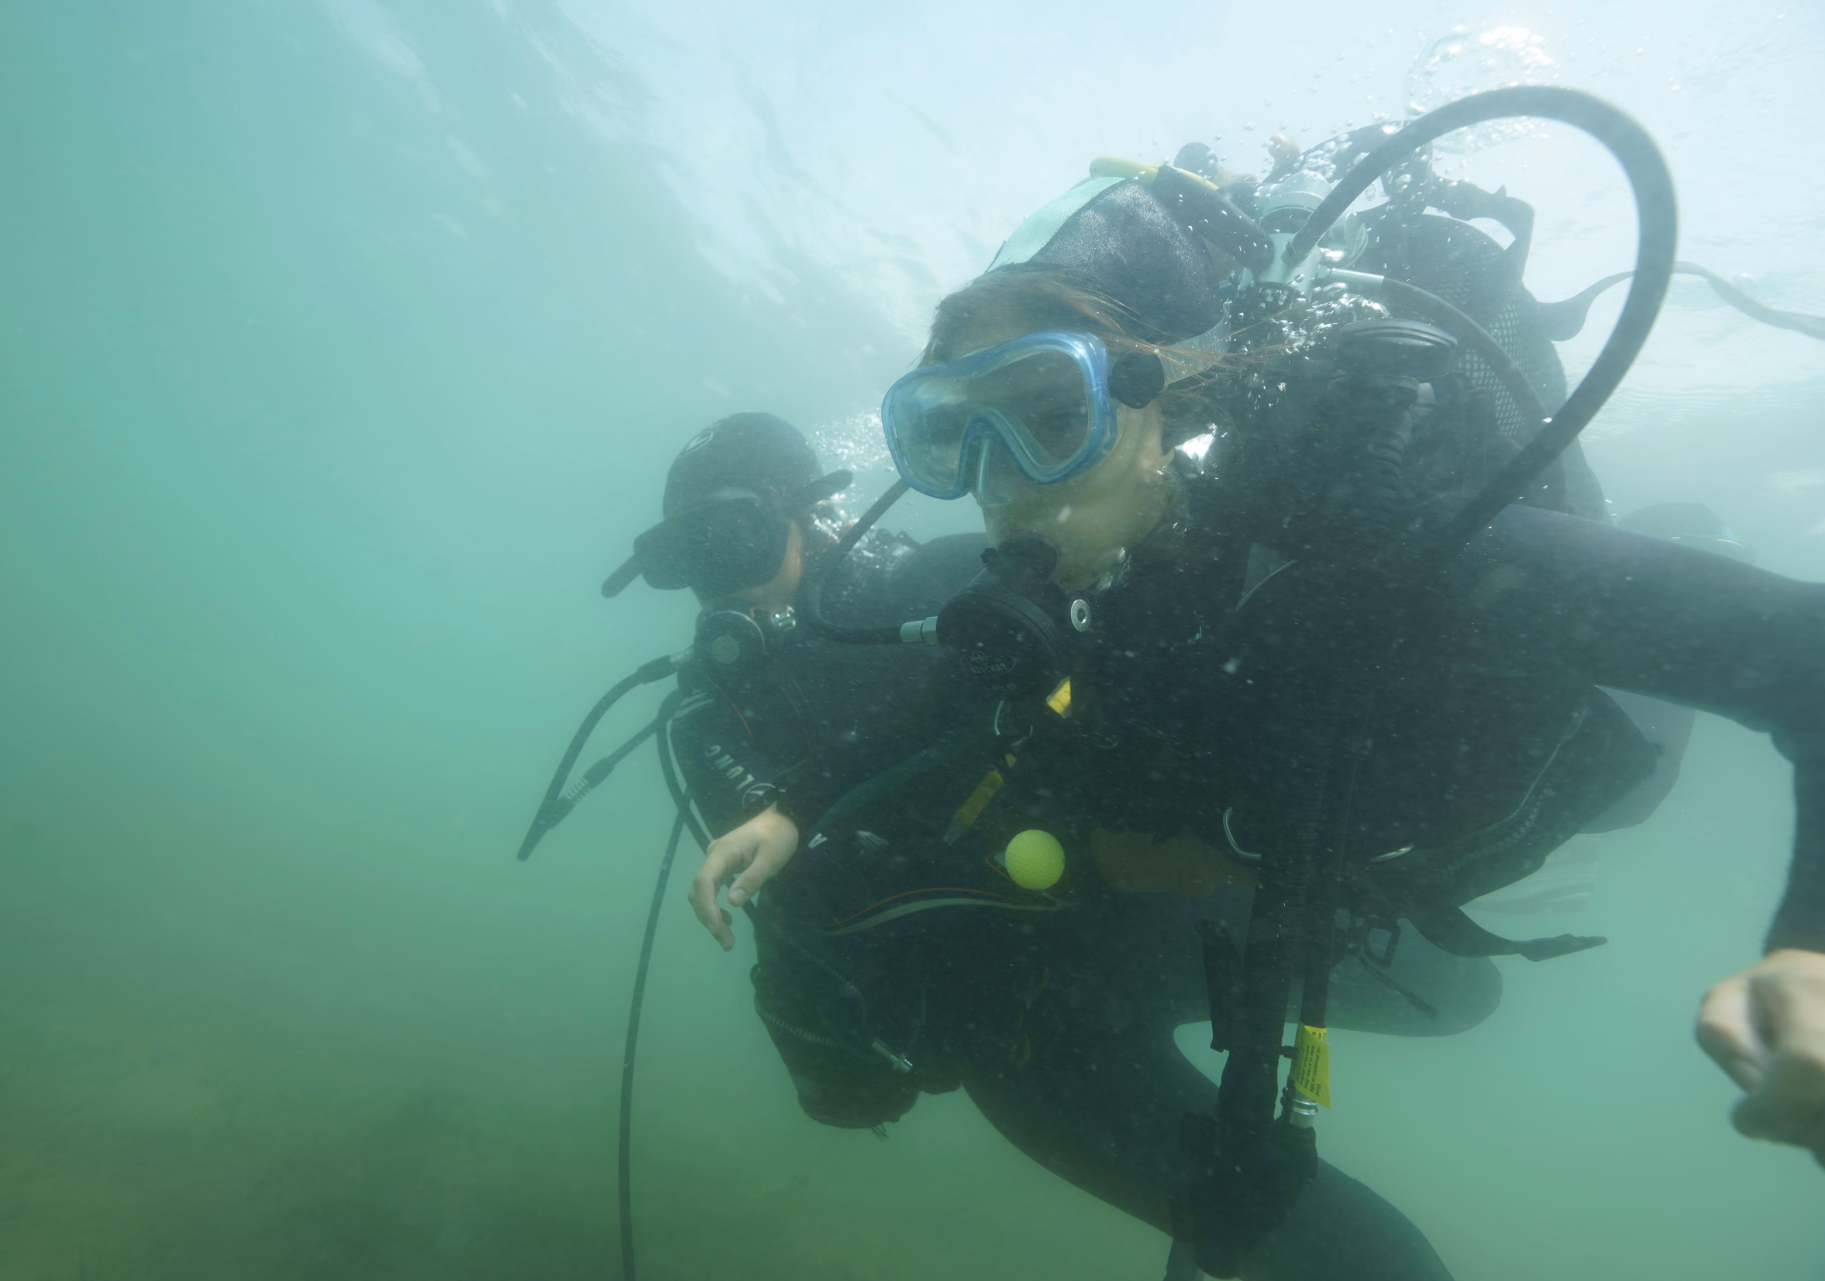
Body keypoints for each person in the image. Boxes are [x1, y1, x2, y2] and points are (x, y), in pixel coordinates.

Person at [691, 157, 1825, 1274]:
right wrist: (799, 805)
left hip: (1544, 779)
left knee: (1635, 791)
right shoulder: (1092, 580)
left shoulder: (1381, 541)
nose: (1002, 478)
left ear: (1171, 397)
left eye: (1047, 413)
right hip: (1333, 861)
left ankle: (1689, 531)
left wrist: (1812, 946)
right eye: (954, 433)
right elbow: (965, 680)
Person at [605, 411, 993, 1126]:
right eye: (691, 555)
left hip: (1095, 920)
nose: (717, 582)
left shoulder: (931, 591)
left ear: (810, 514)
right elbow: (794, 918)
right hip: (976, 1017)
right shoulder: (710, 715)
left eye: (739, 538)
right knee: (850, 1092)